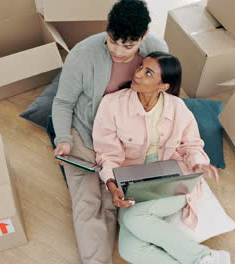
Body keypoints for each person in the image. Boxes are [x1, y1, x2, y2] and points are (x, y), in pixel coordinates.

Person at [51, 0, 168, 263]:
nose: (118, 50)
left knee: (114, 200)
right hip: (84, 135)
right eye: (113, 40)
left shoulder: (157, 52)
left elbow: (164, 97)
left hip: (126, 141)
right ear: (107, 29)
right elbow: (62, 102)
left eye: (128, 45)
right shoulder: (82, 56)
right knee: (87, 204)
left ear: (143, 36)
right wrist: (64, 139)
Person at [92, 52, 231, 264]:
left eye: (148, 73)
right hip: (132, 181)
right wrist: (112, 185)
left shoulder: (177, 108)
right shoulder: (111, 105)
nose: (137, 74)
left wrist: (199, 163)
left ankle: (204, 259)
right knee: (129, 250)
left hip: (172, 177)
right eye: (140, 67)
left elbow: (191, 145)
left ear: (163, 86)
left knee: (134, 217)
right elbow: (107, 155)